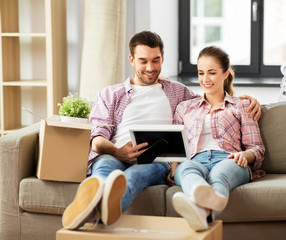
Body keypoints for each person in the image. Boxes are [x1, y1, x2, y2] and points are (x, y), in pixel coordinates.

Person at [62, 31, 262, 230]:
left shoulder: (178, 92)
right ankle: (92, 199)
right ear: (131, 60)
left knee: (132, 178)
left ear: (162, 59)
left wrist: (246, 100)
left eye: (155, 60)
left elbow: (211, 97)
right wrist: (118, 152)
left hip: (156, 161)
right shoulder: (110, 94)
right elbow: (96, 140)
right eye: (143, 61)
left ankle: (93, 213)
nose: (150, 68)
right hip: (115, 153)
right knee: (104, 167)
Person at [169, 46, 265, 231]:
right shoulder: (185, 108)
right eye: (201, 73)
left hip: (230, 159)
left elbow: (257, 148)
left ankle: (197, 206)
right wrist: (174, 169)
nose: (205, 79)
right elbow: (176, 148)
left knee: (218, 176)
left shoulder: (242, 106)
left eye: (212, 73)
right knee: (186, 169)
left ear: (225, 74)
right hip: (195, 160)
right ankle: (204, 213)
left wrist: (245, 155)